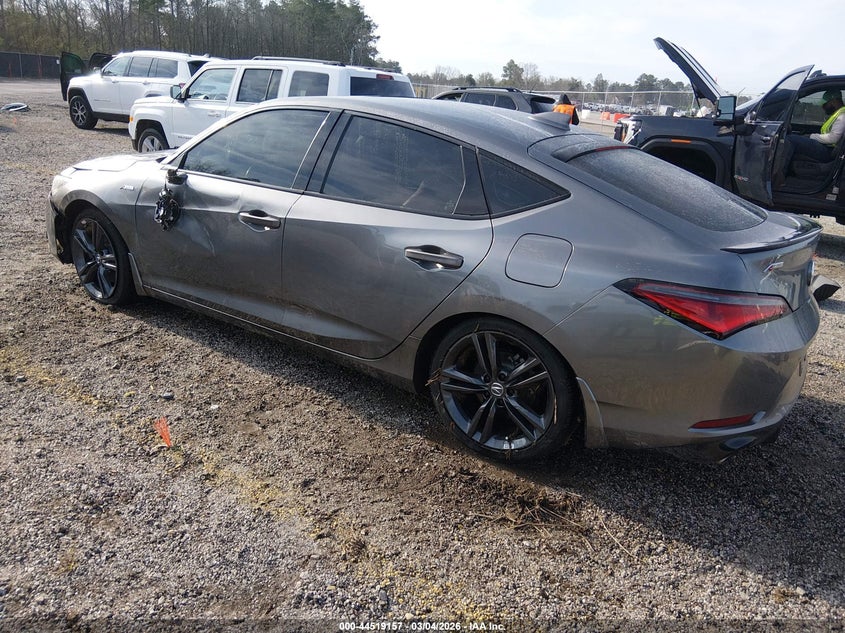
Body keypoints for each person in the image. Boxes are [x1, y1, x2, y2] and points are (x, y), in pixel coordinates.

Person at [784, 89, 845, 165]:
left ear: (834, 101)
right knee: (795, 138)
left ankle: (779, 173)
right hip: (826, 147)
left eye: (825, 104)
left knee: (790, 139)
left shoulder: (842, 115)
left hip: (829, 151)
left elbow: (833, 138)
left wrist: (811, 136)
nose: (823, 106)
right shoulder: (838, 113)